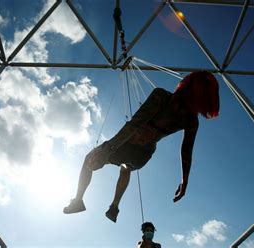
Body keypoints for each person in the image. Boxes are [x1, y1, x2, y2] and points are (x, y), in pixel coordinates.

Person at [63, 71, 220, 222]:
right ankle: (115, 206)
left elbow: (135, 124)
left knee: (89, 159)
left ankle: (78, 200)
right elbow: (186, 151)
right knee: (126, 168)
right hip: (143, 156)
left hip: (126, 145)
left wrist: (108, 148)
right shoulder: (192, 121)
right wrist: (184, 182)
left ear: (186, 84)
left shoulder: (162, 96)